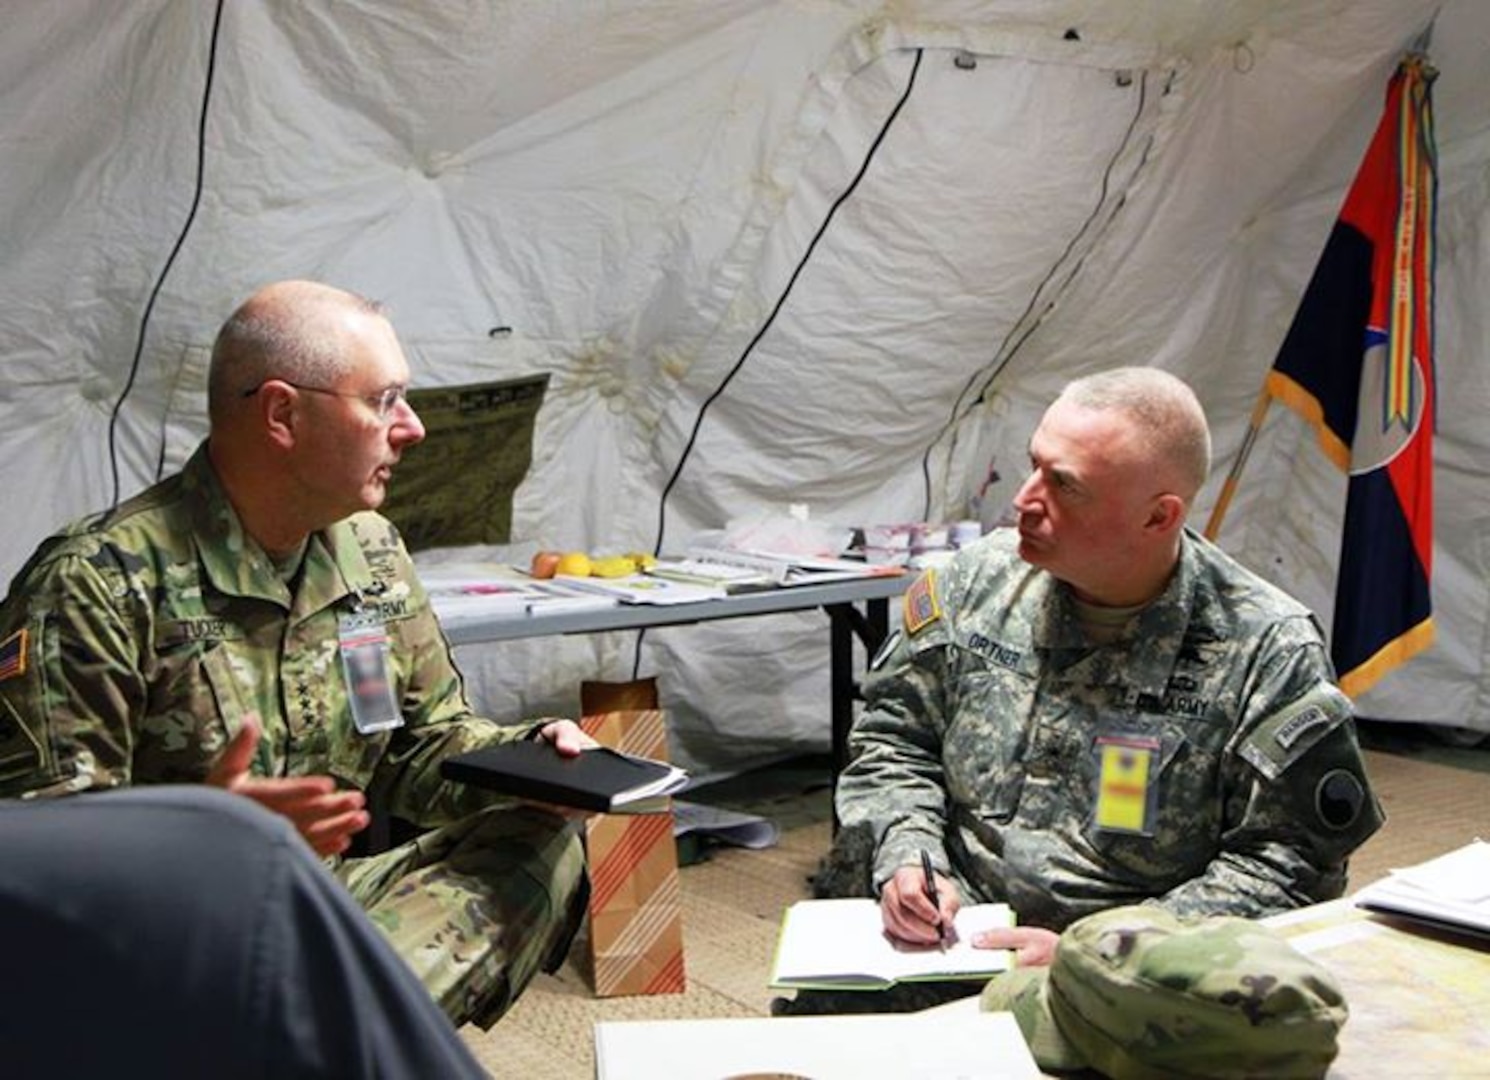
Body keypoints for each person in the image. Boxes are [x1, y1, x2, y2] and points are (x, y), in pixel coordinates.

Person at [0, 280, 590, 1030]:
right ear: (283, 413)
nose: (411, 428)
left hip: (314, 903)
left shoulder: (370, 553)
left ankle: (308, 1035)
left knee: (541, 837)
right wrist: (199, 834)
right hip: (160, 934)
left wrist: (536, 758)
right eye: (384, 401)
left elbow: (426, 747)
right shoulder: (97, 581)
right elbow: (32, 865)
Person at [796, 366, 1383, 1011]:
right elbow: (893, 741)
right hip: (943, 944)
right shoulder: (970, 590)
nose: (1024, 499)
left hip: (1136, 982)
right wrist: (910, 857)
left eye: (1064, 486)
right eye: (1035, 465)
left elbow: (1290, 862)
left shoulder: (1263, 649)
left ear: (1158, 518)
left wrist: (1105, 949)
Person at [0, 786, 491, 1079]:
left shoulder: (378, 608)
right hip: (179, 905)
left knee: (526, 835)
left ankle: (336, 1021)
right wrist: (190, 822)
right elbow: (55, 819)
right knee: (245, 856)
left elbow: (427, 736)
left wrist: (532, 743)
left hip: (318, 873)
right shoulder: (94, 610)